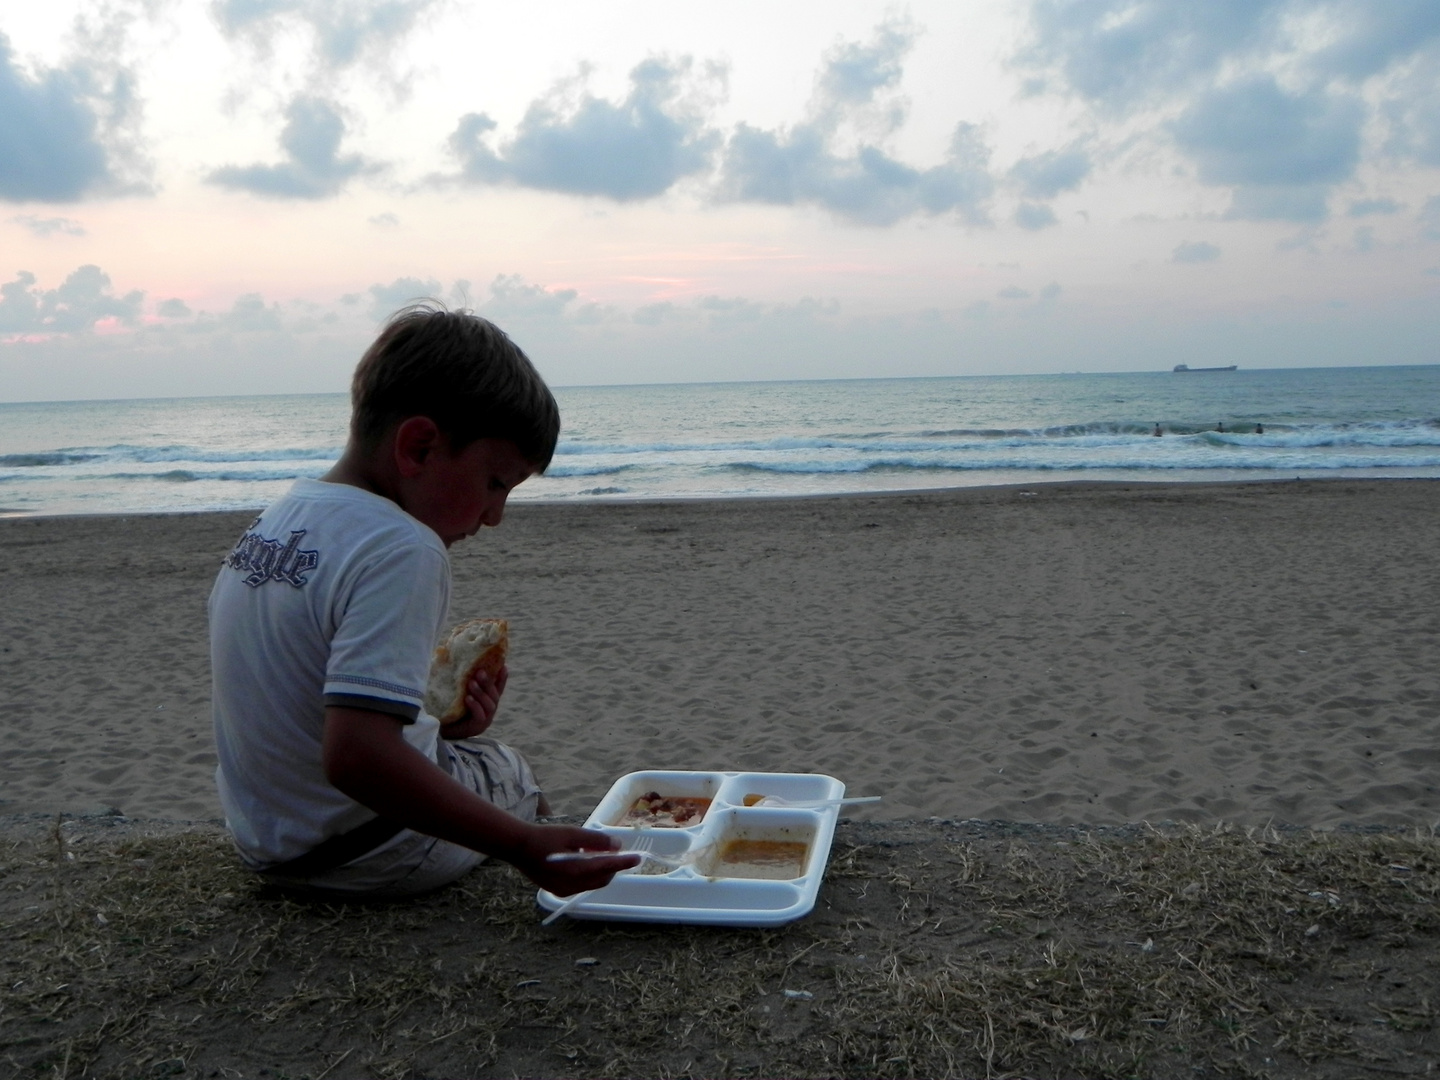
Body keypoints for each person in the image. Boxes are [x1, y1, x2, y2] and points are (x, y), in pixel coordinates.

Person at [209, 303, 637, 898]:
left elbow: (304, 712)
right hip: (371, 851)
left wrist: (439, 726)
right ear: (419, 447)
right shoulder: (403, 547)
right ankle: (543, 865)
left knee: (467, 750)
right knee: (508, 768)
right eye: (495, 483)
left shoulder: (279, 520)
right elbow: (356, 756)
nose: (495, 517)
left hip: (271, 844)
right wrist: (520, 844)